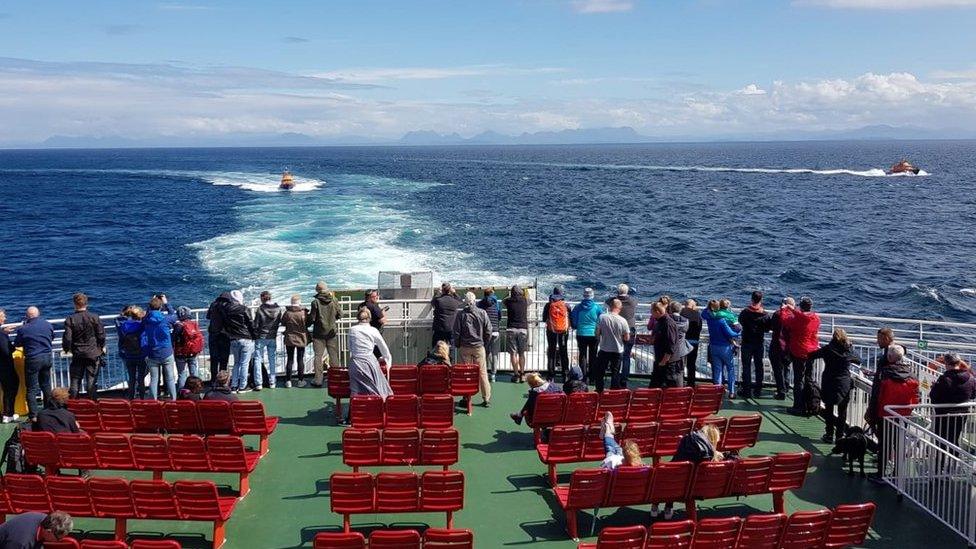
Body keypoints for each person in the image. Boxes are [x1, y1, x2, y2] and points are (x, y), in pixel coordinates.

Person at [867, 345, 919, 482]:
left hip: (885, 414)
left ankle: (881, 475)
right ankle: (897, 474)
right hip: (903, 415)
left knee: (884, 444)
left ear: (889, 357)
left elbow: (877, 396)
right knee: (899, 443)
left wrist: (871, 413)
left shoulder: (884, 374)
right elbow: (916, 397)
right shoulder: (912, 374)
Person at [655, 424, 724, 519]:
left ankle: (661, 507)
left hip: (675, 480)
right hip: (696, 487)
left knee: (667, 477)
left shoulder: (687, 442)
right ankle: (667, 507)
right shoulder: (708, 457)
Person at [807, 328, 860, 443]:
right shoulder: (848, 350)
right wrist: (850, 347)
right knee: (842, 411)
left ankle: (829, 434)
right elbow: (858, 360)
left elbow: (812, 355)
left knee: (829, 409)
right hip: (843, 383)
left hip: (829, 381)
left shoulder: (827, 349)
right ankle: (840, 436)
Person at [62, 292, 106, 400]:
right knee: (91, 383)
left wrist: (66, 349)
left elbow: (67, 338)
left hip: (77, 353)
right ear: (87, 303)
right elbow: (101, 335)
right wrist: (101, 347)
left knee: (75, 381)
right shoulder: (94, 317)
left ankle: (74, 405)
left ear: (74, 304)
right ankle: (92, 406)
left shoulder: (70, 319)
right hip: (92, 353)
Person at [453, 292, 492, 407]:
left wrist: (458, 344)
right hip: (478, 347)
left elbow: (456, 332)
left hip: (464, 347)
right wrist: (484, 342)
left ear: (465, 301)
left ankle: (466, 397)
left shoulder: (461, 315)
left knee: (466, 373)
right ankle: (486, 399)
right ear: (475, 301)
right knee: (482, 373)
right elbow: (488, 330)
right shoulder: (482, 313)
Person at [14, 306, 54, 420]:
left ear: (27, 316)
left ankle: (34, 415)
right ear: (38, 314)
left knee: (31, 388)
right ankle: (48, 411)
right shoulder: (47, 324)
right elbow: (52, 336)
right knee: (46, 385)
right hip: (47, 357)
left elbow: (17, 343)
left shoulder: (23, 329)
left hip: (33, 359)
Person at [929, 354, 976, 450]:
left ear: (946, 364)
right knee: (954, 439)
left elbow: (933, 396)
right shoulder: (970, 378)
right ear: (959, 363)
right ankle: (953, 463)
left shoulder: (945, 379)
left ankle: (940, 463)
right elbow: (973, 394)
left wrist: (934, 387)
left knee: (940, 441)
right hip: (962, 414)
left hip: (943, 414)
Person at [347, 308, 394, 403]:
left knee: (356, 392)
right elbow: (384, 349)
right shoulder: (373, 330)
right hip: (369, 363)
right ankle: (377, 408)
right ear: (370, 318)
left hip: (355, 363)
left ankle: (354, 413)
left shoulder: (352, 330)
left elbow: (350, 348)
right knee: (379, 388)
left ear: (358, 318)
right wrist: (387, 360)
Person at [785, 297, 820, 413]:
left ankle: (798, 406)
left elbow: (785, 321)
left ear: (801, 306)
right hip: (811, 352)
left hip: (799, 352)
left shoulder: (798, 319)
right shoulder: (815, 319)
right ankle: (808, 404)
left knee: (798, 380)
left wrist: (787, 309)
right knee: (808, 378)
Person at [141, 296, 179, 401]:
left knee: (154, 379)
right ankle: (173, 400)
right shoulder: (166, 319)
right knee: (170, 378)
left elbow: (145, 318)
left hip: (152, 352)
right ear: (161, 307)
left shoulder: (146, 320)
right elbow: (175, 315)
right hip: (166, 352)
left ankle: (153, 401)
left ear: (150, 307)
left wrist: (151, 305)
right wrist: (167, 303)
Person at [702, 300, 741, 398]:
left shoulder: (710, 318)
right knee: (730, 369)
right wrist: (739, 333)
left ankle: (717, 392)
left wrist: (709, 306)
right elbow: (730, 333)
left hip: (713, 346)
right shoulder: (722, 320)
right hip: (725, 347)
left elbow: (703, 313)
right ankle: (732, 392)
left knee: (718, 370)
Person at [307, 282, 341, 387]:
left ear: (317, 291)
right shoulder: (334, 300)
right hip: (331, 333)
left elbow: (312, 319)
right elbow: (340, 314)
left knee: (318, 356)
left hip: (318, 334)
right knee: (333, 356)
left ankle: (318, 380)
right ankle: (336, 378)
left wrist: (306, 320)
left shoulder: (315, 302)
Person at [738, 291, 771, 399]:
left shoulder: (745, 312)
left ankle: (746, 391)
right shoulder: (765, 314)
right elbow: (767, 328)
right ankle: (758, 390)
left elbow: (740, 321)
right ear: (761, 300)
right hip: (758, 343)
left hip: (747, 342)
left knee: (746, 367)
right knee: (758, 367)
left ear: (752, 299)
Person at [593, 298, 630, 392]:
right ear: (619, 308)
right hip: (617, 350)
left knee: (600, 372)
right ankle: (614, 391)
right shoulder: (623, 321)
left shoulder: (602, 317)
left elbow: (597, 333)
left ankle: (599, 390)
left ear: (610, 307)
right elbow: (627, 338)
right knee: (615, 372)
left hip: (605, 348)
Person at [252, 291, 283, 390]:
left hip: (261, 337)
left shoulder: (260, 309)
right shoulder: (278, 309)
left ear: (262, 299)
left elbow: (256, 325)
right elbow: (278, 321)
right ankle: (272, 382)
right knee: (272, 359)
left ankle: (258, 383)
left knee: (257, 359)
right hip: (272, 337)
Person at [570, 288, 602, 383]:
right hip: (594, 334)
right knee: (593, 355)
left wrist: (577, 326)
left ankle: (583, 377)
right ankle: (592, 378)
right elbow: (601, 320)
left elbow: (574, 322)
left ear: (583, 296)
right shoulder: (597, 308)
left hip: (581, 334)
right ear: (592, 296)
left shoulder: (578, 307)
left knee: (582, 356)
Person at [115, 305, 147, 400]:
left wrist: (125, 313)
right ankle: (142, 398)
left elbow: (117, 319)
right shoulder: (141, 325)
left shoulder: (123, 325)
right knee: (141, 378)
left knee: (131, 378)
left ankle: (131, 398)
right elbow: (147, 318)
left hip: (128, 354)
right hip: (141, 354)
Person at [650, 303, 683, 388]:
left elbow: (671, 344)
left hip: (668, 363)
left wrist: (664, 361)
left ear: (657, 311)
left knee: (670, 387)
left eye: (652, 311)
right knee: (655, 387)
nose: (651, 314)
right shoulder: (660, 322)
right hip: (661, 360)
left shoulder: (668, 323)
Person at [542, 285, 571, 381]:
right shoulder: (566, 306)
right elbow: (570, 318)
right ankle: (565, 374)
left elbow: (543, 319)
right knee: (564, 352)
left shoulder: (548, 305)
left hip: (551, 330)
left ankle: (550, 376)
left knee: (551, 351)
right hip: (563, 332)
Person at [768, 297, 795, 400]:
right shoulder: (794, 316)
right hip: (789, 347)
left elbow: (772, 327)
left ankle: (781, 391)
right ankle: (786, 386)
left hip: (777, 346)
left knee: (778, 370)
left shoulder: (777, 314)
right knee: (786, 367)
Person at [0, 510, 73, 547]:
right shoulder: (22, 542)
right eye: (58, 538)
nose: (58, 541)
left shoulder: (44, 518)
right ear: (49, 532)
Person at [173, 306, 204, 391]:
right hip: (192, 352)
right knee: (194, 373)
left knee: (182, 374)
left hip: (180, 353)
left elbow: (174, 338)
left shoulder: (178, 326)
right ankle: (196, 390)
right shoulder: (193, 324)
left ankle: (181, 393)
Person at [503, 285, 530, 383]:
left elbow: (503, 300)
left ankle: (516, 374)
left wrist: (510, 295)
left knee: (513, 354)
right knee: (521, 353)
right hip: (523, 329)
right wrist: (524, 294)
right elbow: (529, 300)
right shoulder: (525, 300)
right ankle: (522, 374)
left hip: (511, 329)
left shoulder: (508, 301)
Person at [281, 294, 309, 388]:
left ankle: (288, 381)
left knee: (290, 359)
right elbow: (308, 323)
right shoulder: (303, 313)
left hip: (289, 338)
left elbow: (283, 322)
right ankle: (300, 380)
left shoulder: (287, 313)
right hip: (301, 338)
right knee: (300, 359)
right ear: (299, 303)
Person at [205, 291, 234, 383]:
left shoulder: (213, 305)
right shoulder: (229, 306)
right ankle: (222, 380)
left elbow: (208, 316)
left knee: (214, 358)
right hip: (225, 335)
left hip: (213, 334)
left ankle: (213, 380)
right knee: (224, 359)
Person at [477, 287, 502, 382]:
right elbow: (499, 317)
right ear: (492, 294)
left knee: (484, 353)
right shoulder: (496, 303)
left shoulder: (480, 304)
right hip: (495, 331)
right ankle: (493, 374)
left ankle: (484, 372)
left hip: (484, 332)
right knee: (494, 353)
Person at [615, 284, 638, 388]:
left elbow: (607, 301)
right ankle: (624, 378)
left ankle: (615, 376)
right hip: (630, 329)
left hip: (617, 329)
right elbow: (635, 300)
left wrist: (617, 296)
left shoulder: (614, 301)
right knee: (626, 355)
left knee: (616, 354)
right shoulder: (633, 301)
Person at [0, 309, 20, 423]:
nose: (5, 318)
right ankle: (8, 414)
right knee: (11, 388)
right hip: (5, 366)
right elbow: (6, 350)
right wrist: (5, 335)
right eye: (3, 316)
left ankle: (8, 413)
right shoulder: (2, 335)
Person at [431, 282, 463, 348]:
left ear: (442, 290)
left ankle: (437, 357)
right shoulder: (455, 301)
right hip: (451, 328)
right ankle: (450, 357)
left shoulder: (438, 300)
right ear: (450, 290)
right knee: (451, 347)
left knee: (436, 347)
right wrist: (454, 293)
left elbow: (432, 302)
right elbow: (461, 301)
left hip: (439, 328)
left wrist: (437, 293)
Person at [680, 300, 703, 386]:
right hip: (694, 342)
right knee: (691, 364)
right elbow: (699, 328)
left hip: (682, 341)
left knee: (681, 363)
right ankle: (691, 384)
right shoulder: (697, 314)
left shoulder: (681, 312)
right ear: (694, 305)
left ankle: (680, 382)